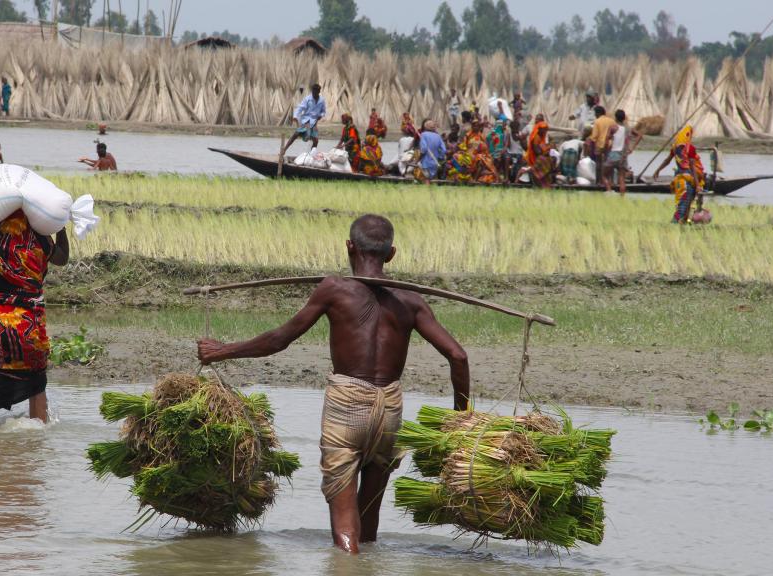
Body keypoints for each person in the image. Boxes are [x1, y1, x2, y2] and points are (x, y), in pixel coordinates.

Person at [197, 215, 470, 554]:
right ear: (392, 254)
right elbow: (458, 357)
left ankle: (347, 564)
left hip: (347, 404)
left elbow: (280, 339)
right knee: (368, 518)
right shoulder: (410, 301)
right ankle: (365, 562)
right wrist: (461, 419)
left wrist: (222, 351)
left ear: (349, 247)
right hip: (390, 409)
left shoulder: (334, 289)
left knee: (343, 518)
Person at [0, 210, 69, 425]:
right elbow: (63, 258)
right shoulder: (41, 243)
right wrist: (60, 225)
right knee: (36, 389)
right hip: (31, 329)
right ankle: (36, 444)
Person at [653, 125, 704, 223]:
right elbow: (692, 166)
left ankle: (682, 223)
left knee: (684, 204)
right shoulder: (690, 148)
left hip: (679, 179)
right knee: (684, 205)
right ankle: (674, 224)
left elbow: (667, 160)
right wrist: (698, 185)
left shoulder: (675, 147)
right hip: (688, 180)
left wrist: (658, 170)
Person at [603, 109, 640, 194]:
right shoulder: (627, 128)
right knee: (621, 179)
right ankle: (622, 198)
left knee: (604, 175)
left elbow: (606, 140)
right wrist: (631, 148)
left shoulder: (613, 127)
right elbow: (639, 135)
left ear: (615, 118)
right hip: (623, 156)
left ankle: (609, 191)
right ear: (624, 118)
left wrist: (605, 150)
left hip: (613, 155)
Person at [284, 83, 326, 153]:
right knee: (296, 134)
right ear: (312, 91)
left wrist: (321, 115)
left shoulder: (321, 100)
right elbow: (300, 108)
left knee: (316, 140)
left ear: (319, 92)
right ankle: (284, 150)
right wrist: (295, 116)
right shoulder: (307, 99)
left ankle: (311, 155)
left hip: (314, 121)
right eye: (313, 92)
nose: (314, 93)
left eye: (316, 92)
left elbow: (323, 111)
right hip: (306, 120)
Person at [525, 118, 556, 188]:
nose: (545, 131)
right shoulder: (536, 137)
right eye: (544, 129)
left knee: (553, 159)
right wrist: (548, 148)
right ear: (540, 129)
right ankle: (538, 178)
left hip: (540, 156)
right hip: (534, 158)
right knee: (547, 160)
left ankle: (547, 180)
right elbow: (537, 152)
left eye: (546, 129)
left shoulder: (541, 137)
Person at [589, 106, 615, 183]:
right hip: (610, 145)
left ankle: (598, 182)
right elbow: (615, 134)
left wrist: (591, 145)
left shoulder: (597, 121)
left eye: (595, 113)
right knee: (610, 164)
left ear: (598, 113)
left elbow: (594, 136)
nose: (595, 115)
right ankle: (611, 182)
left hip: (599, 145)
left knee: (599, 164)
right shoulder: (612, 121)